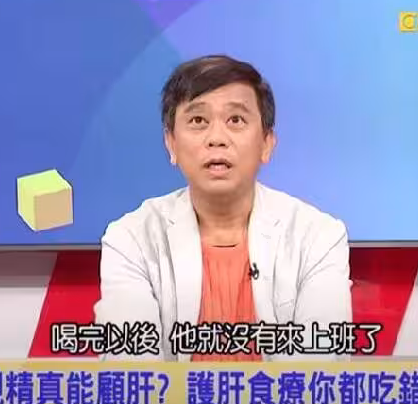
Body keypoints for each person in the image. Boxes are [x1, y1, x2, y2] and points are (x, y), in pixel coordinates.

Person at [93, 55, 352, 361]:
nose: (217, 139)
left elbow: (317, 368)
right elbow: (133, 370)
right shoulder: (131, 239)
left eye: (236, 120)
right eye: (198, 121)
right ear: (171, 144)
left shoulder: (318, 236)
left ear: (266, 143)